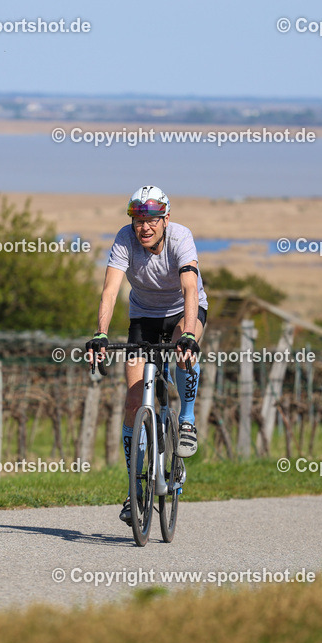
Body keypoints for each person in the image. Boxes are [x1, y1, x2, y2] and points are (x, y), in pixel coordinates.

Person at [86, 185, 207, 525]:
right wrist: (101, 334)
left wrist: (188, 334)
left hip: (183, 311)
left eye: (152, 219)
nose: (145, 227)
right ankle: (135, 489)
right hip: (143, 317)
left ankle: (187, 419)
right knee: (133, 401)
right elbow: (110, 291)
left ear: (166, 219)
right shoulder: (124, 239)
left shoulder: (181, 237)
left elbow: (189, 288)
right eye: (139, 220)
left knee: (183, 352)